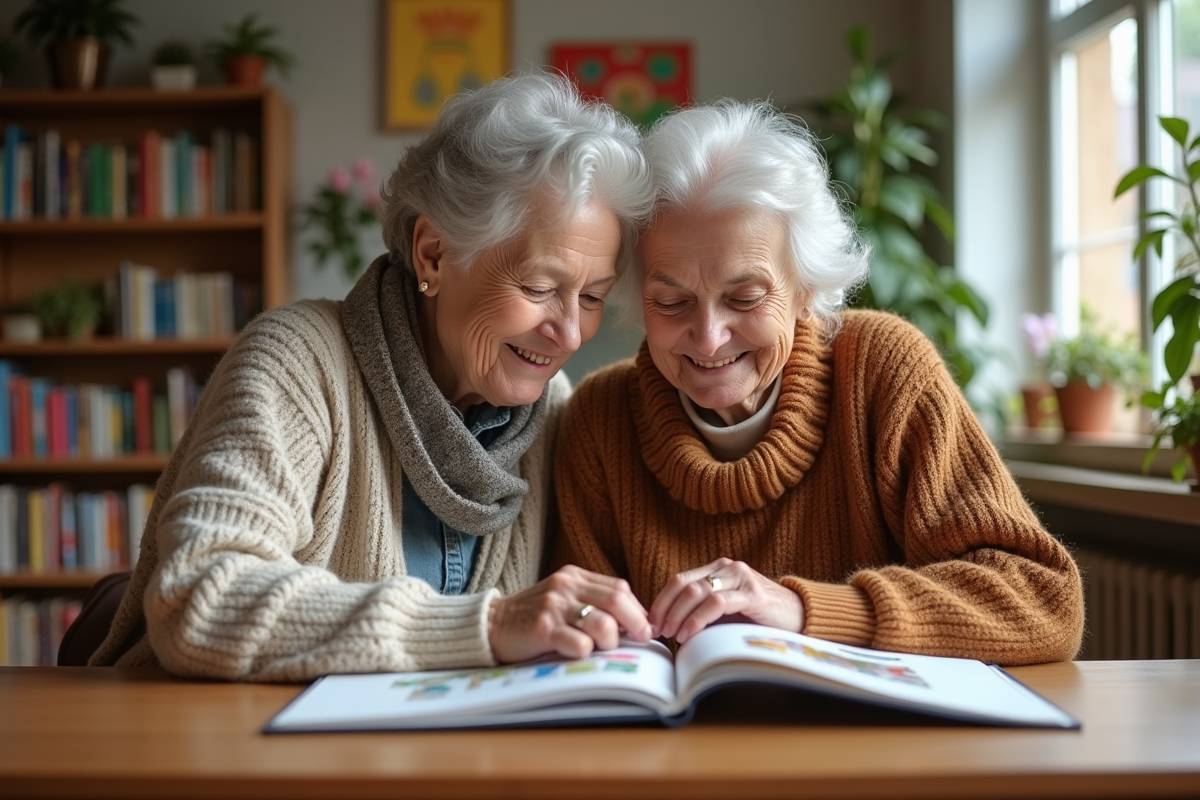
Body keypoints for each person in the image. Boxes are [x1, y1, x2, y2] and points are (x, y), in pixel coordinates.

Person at [89, 73, 655, 681]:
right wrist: (487, 626)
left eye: (592, 298)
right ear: (434, 254)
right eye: (540, 288)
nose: (569, 334)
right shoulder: (297, 362)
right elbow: (198, 599)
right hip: (210, 752)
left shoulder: (555, 410)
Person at [554, 100, 1084, 666]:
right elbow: (579, 650)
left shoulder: (881, 371)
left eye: (745, 298)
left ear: (806, 288)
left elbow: (1043, 601)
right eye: (672, 301)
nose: (707, 338)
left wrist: (804, 611)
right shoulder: (601, 418)